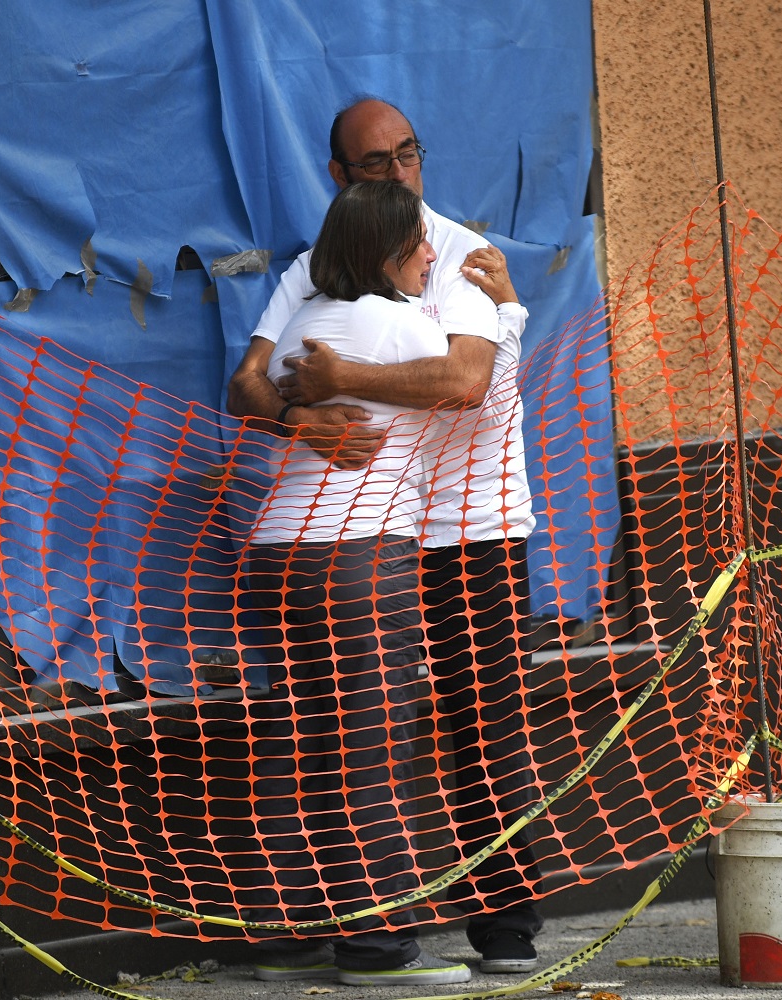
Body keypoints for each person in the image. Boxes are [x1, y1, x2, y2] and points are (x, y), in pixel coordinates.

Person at [227, 97, 545, 979]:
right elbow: (247, 385)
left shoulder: (457, 255)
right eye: (376, 163)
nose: (399, 172)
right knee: (340, 731)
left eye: (409, 153)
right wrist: (302, 419)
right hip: (361, 535)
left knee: (483, 726)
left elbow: (465, 379)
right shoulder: (315, 264)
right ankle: (331, 930)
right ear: (341, 177)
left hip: (469, 527)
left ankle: (505, 927)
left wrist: (342, 378)